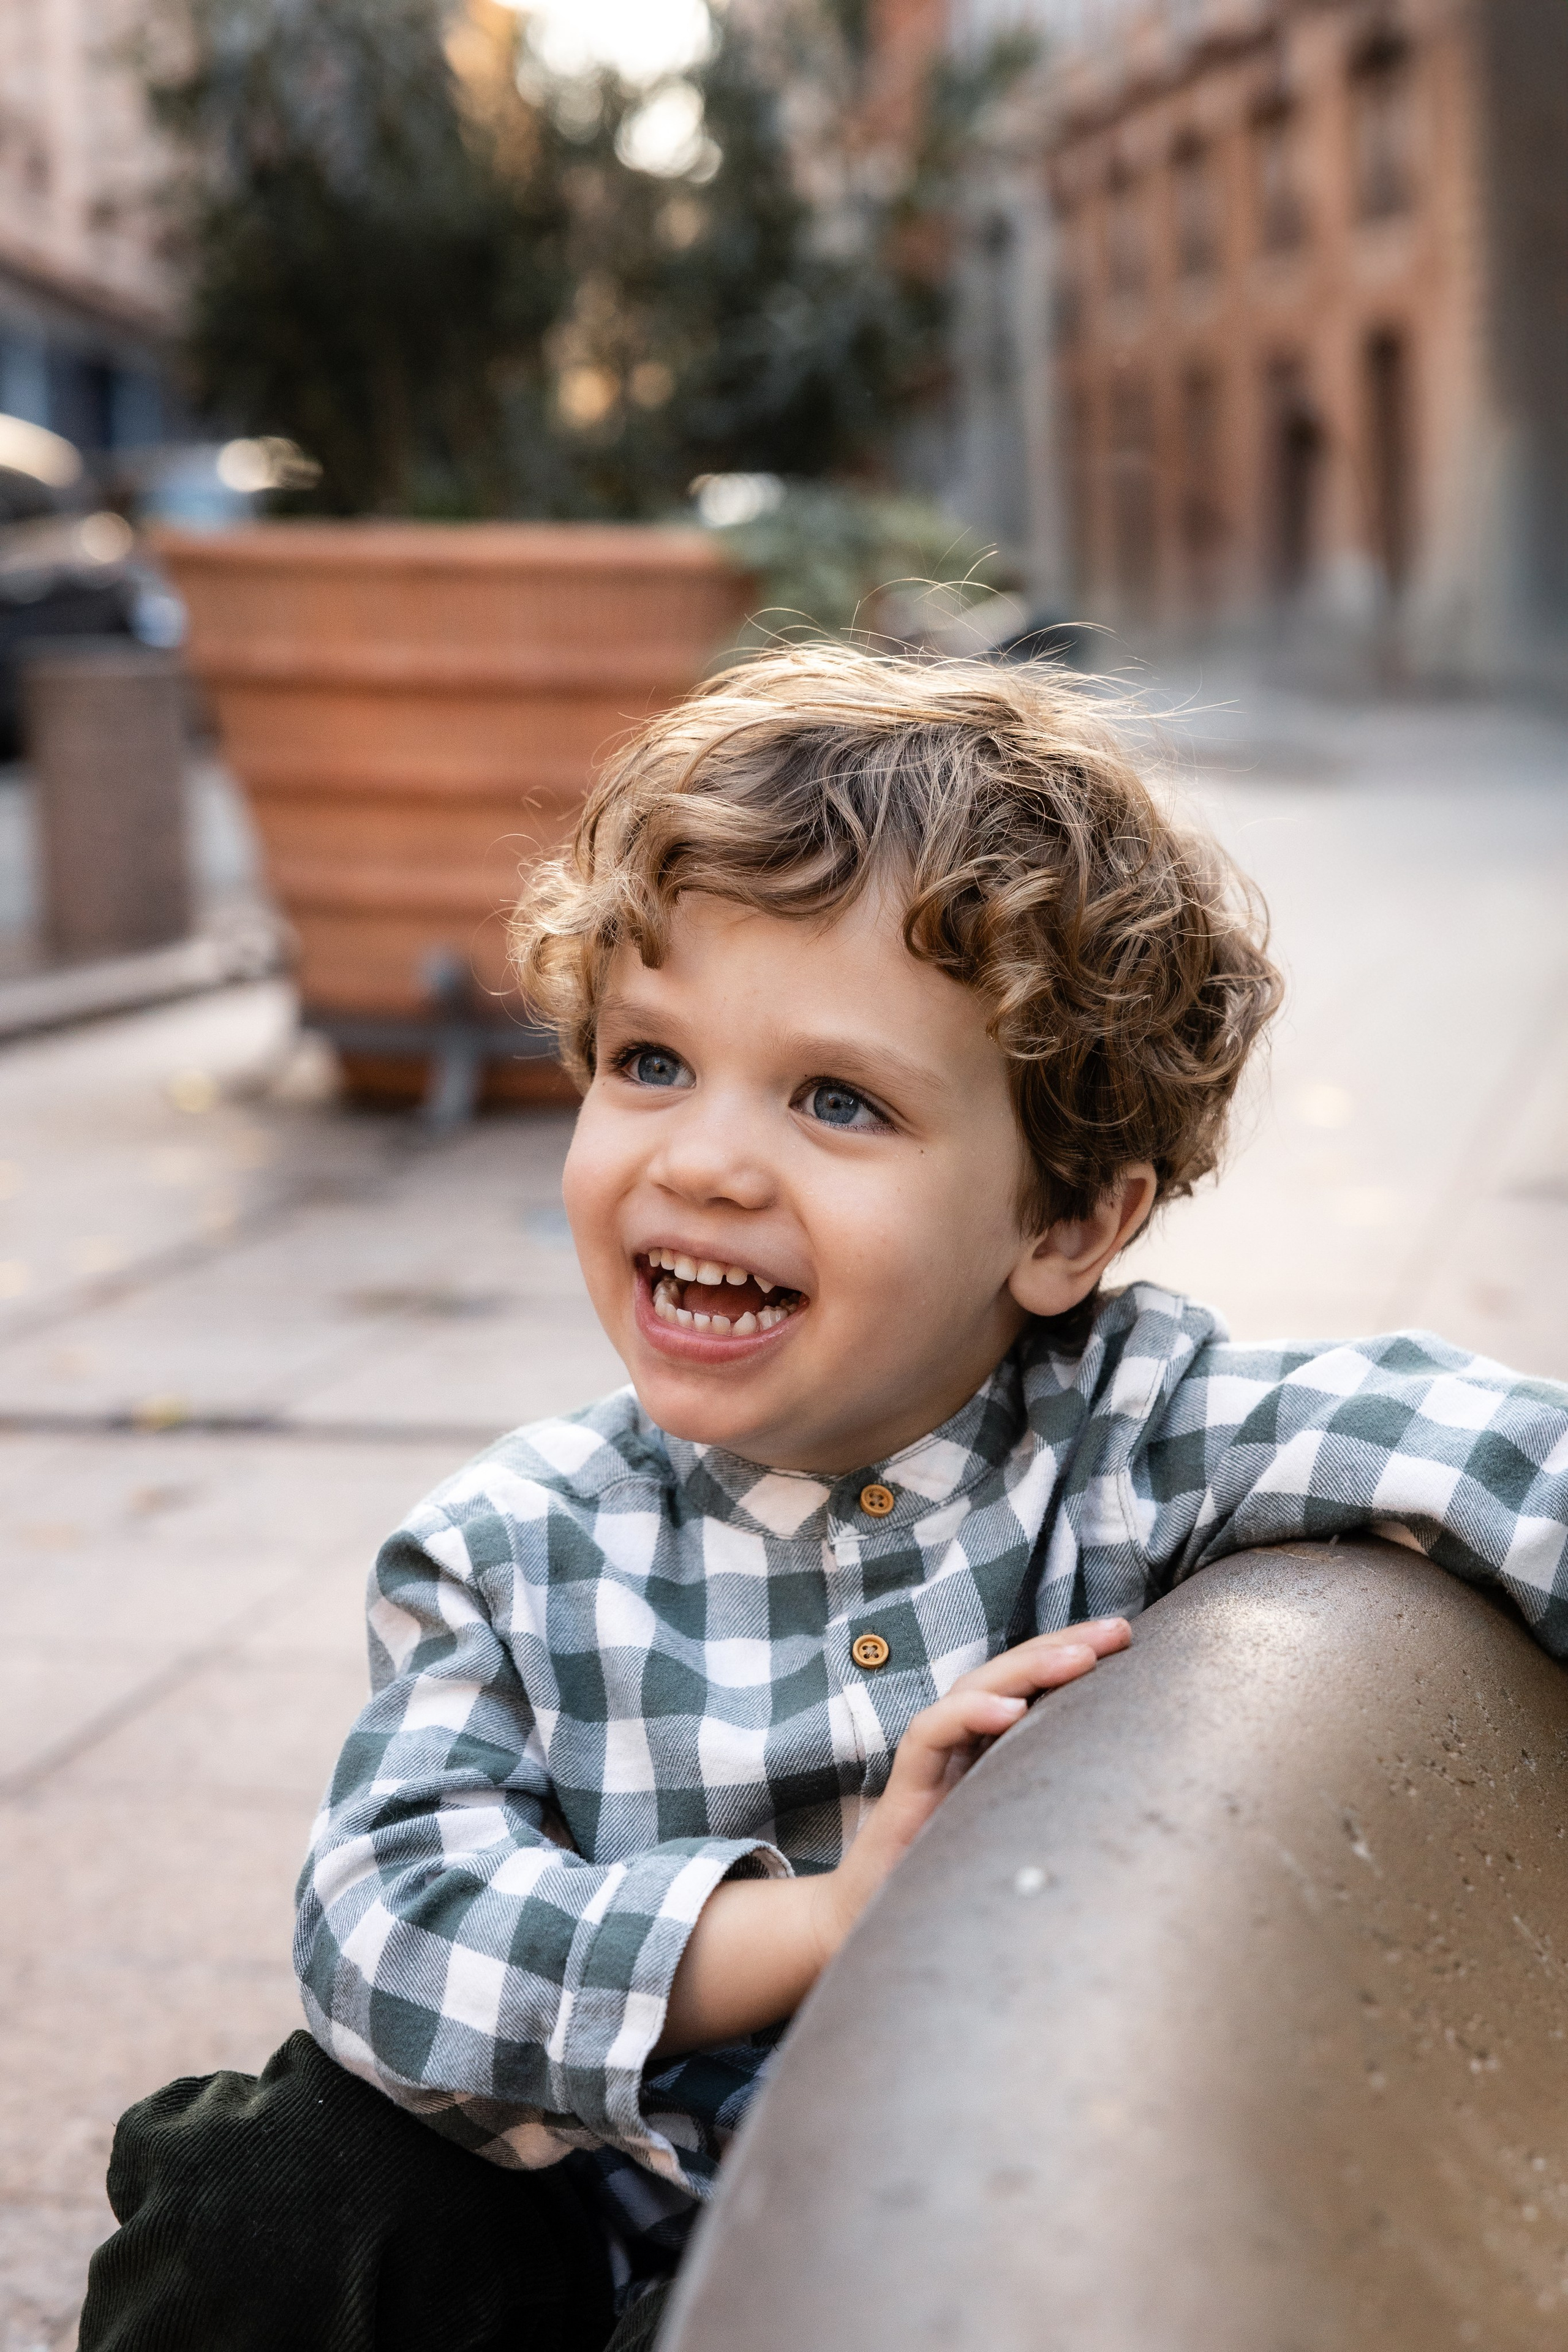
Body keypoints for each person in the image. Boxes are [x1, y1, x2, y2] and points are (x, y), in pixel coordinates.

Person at [80, 646, 1568, 2350]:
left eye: (836, 1100)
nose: (704, 1160)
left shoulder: (1139, 1433)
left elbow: (1502, 1457)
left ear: (1065, 1224)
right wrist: (823, 1922)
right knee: (272, 2176)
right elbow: (385, 1930)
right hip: (565, 2243)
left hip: (942, 2252)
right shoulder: (517, 1549)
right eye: (648, 1061)